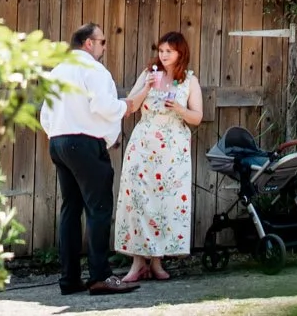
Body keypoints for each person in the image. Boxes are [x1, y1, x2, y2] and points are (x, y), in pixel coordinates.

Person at [43, 23, 139, 296]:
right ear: (88, 43)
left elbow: (45, 116)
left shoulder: (57, 71)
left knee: (70, 210)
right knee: (98, 209)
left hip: (59, 142)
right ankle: (100, 276)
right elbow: (104, 107)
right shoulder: (94, 70)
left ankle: (69, 279)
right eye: (103, 42)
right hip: (85, 144)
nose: (105, 47)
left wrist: (60, 136)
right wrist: (126, 106)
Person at [114, 30, 204, 283]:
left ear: (180, 53)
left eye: (169, 51)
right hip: (144, 145)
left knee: (165, 202)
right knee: (139, 201)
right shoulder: (148, 73)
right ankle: (137, 262)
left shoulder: (189, 80)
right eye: (161, 51)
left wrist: (178, 108)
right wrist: (146, 88)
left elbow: (197, 117)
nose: (163, 56)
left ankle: (157, 261)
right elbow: (129, 107)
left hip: (173, 150)